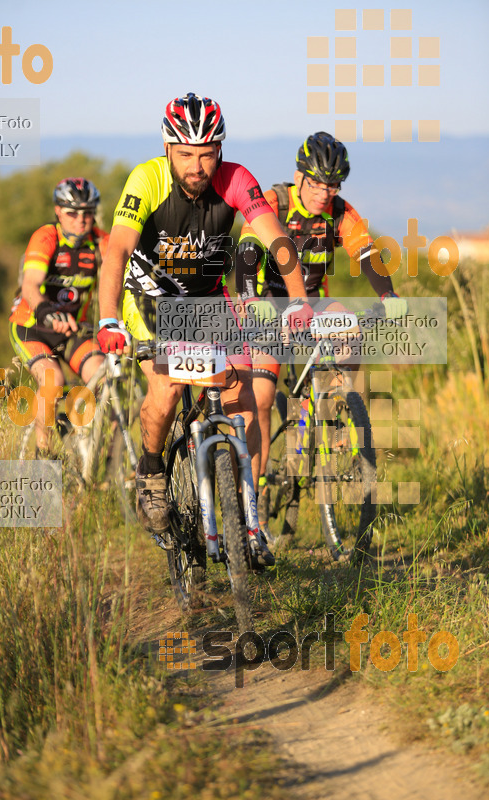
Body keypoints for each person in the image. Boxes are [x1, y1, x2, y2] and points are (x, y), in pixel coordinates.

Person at [96, 92, 312, 568]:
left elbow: (277, 237)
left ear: (220, 149)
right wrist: (108, 317)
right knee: (169, 388)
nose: (197, 165)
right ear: (169, 147)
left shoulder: (236, 179)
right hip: (150, 298)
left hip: (209, 301)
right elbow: (116, 252)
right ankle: (152, 471)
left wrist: (298, 301)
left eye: (207, 153)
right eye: (187, 153)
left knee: (247, 404)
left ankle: (244, 521)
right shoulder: (147, 179)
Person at [235, 131, 408, 537]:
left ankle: (336, 399)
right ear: (300, 177)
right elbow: (245, 254)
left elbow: (367, 254)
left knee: (348, 322)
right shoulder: (274, 202)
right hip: (267, 304)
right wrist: (249, 299)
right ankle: (254, 503)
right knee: (260, 398)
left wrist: (388, 293)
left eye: (332, 185)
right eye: (317, 183)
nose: (324, 193)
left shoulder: (341, 213)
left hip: (310, 302)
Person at [9, 178, 108, 452]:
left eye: (87, 213)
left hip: (73, 329)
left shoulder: (101, 242)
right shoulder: (46, 236)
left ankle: (87, 445)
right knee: (53, 382)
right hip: (32, 326)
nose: (80, 220)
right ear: (58, 211)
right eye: (72, 213)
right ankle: (45, 454)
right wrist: (48, 311)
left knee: (102, 375)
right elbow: (30, 286)